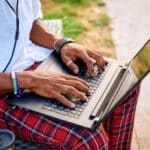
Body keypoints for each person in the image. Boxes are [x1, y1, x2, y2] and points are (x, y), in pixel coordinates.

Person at [0, 0, 140, 149]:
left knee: (124, 84)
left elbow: (30, 22)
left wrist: (61, 43)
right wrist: (29, 80)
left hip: (36, 63)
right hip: (7, 87)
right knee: (88, 140)